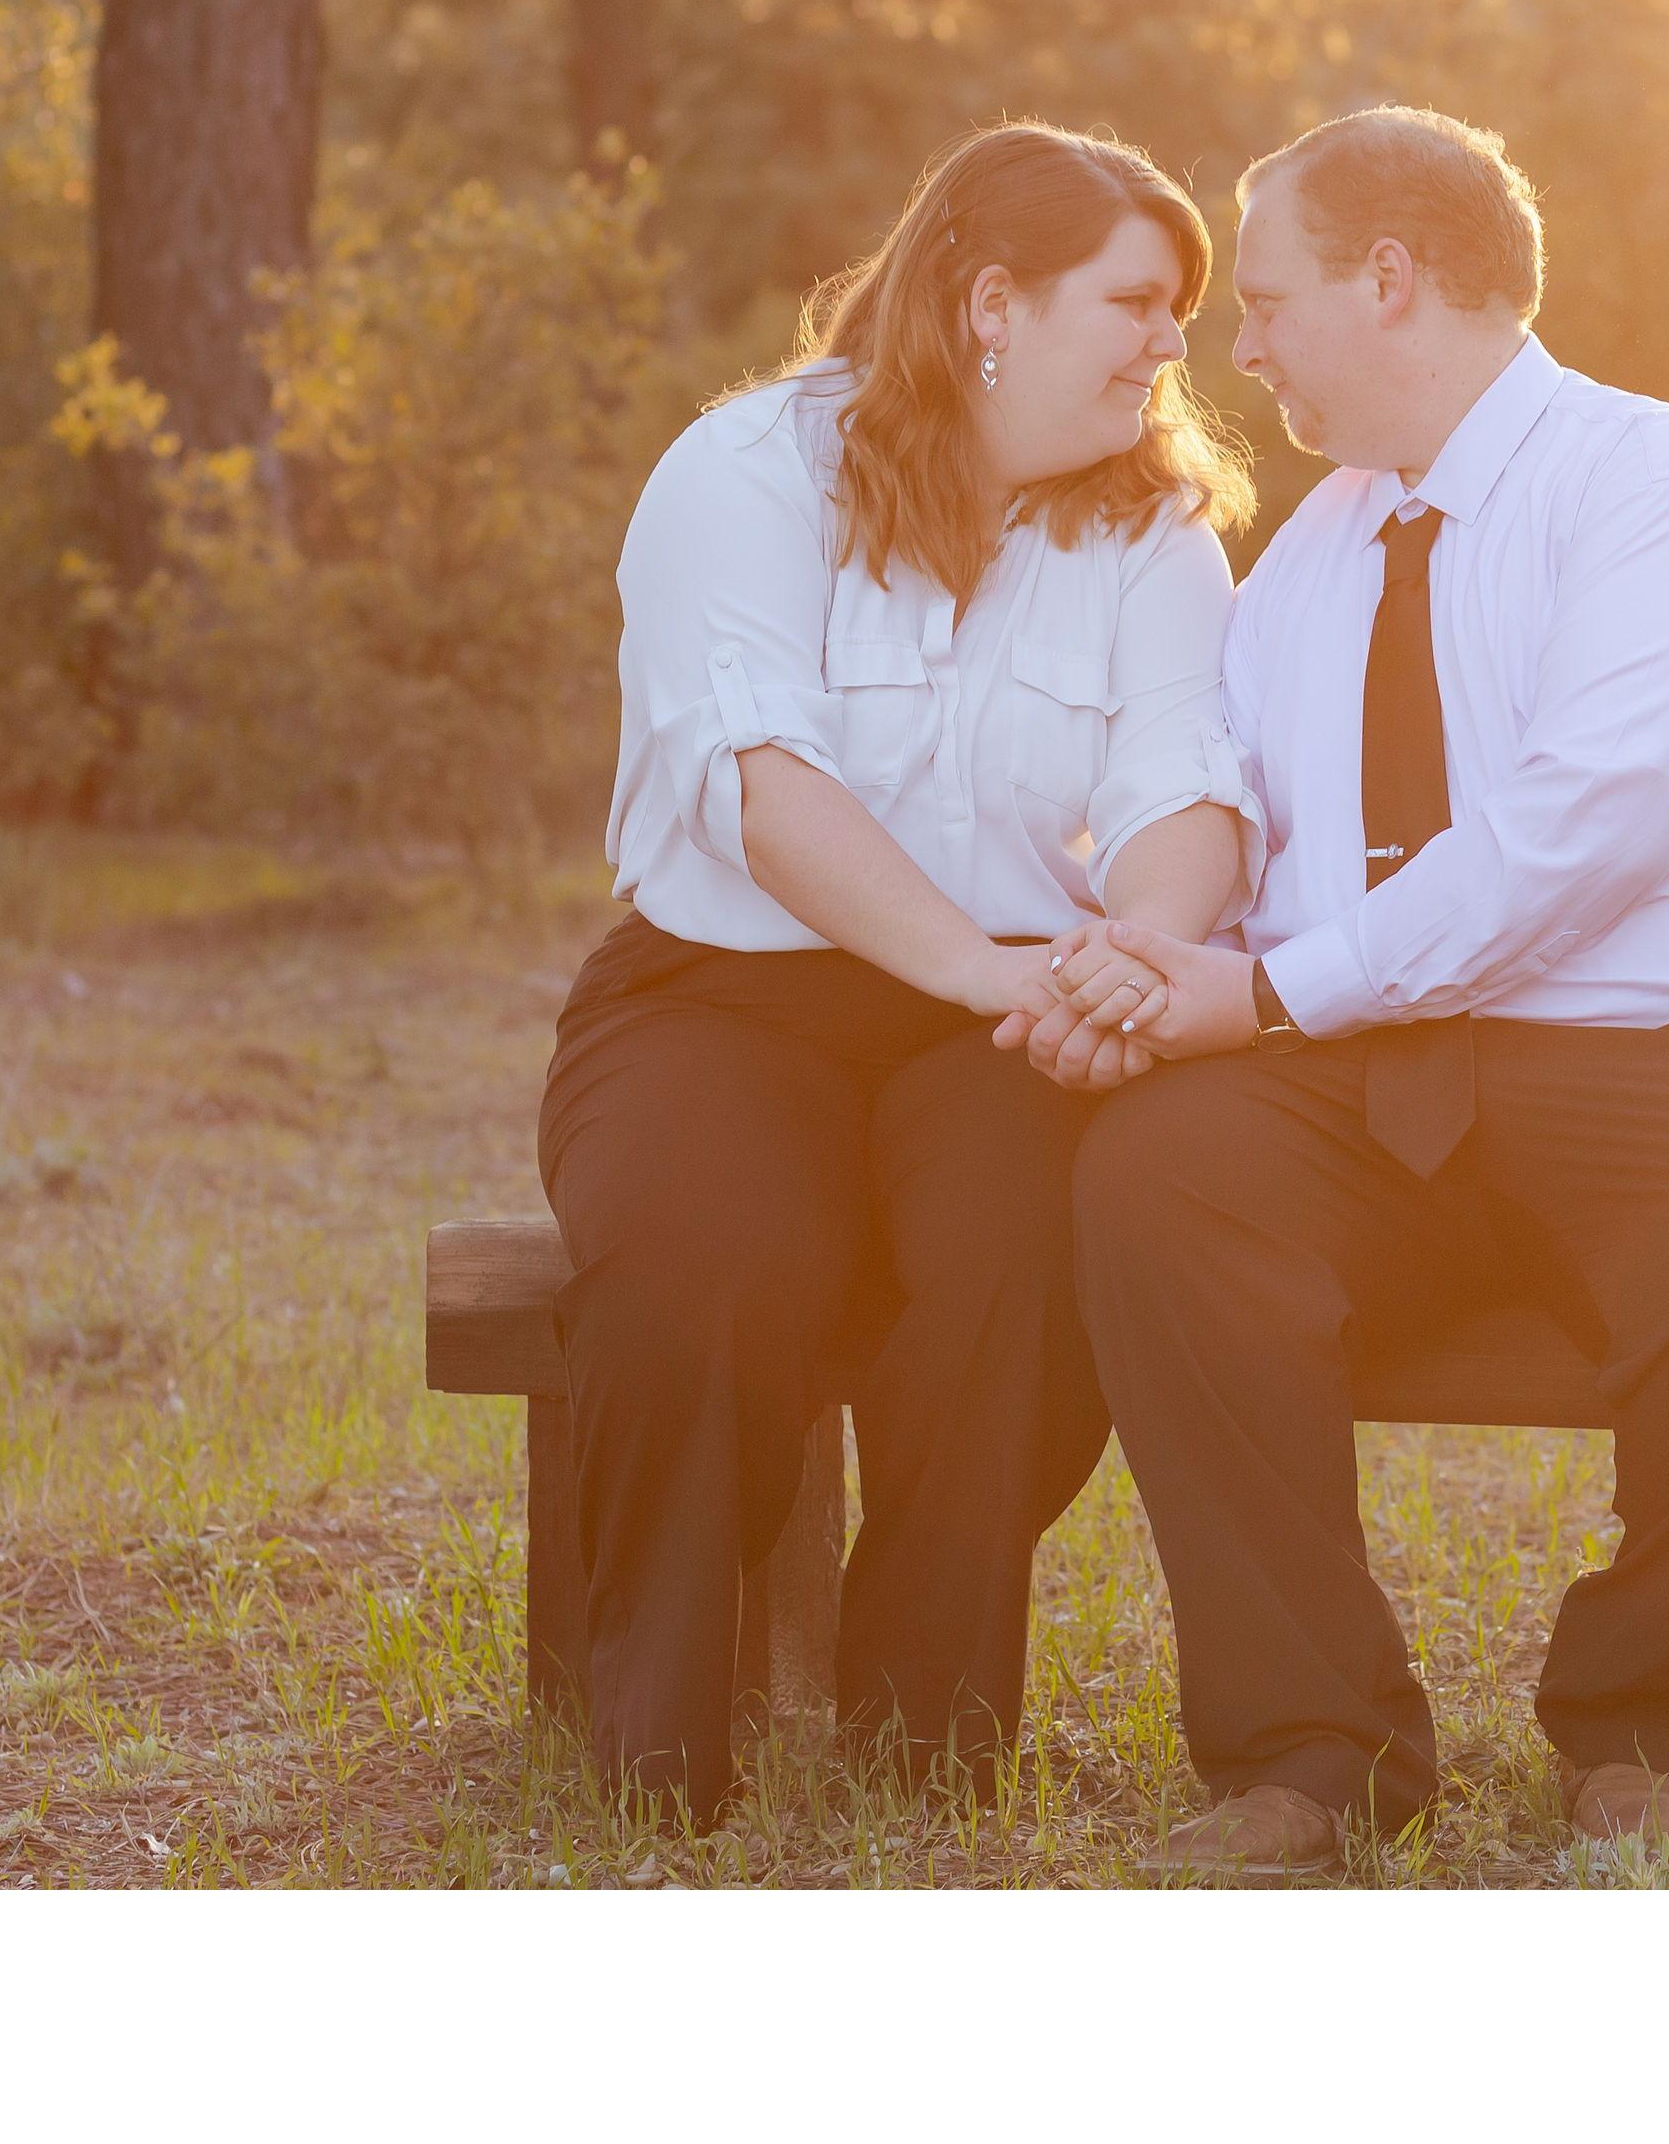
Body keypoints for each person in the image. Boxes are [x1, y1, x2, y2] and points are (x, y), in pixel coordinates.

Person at [1008, 106, 1669, 1880]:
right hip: (1370, 1065)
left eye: (1265, 302)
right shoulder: (1307, 566)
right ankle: (1308, 1747)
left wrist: (1261, 1001)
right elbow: (1230, 816)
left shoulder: (1663, 485)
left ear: (1391, 279)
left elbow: (1582, 828)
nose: (1239, 348)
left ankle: (1651, 1723)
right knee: (1161, 1178)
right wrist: (1123, 967)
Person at [537, 123, 1257, 1822]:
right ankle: (652, 1741)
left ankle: (928, 1743)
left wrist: (1131, 960)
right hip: (725, 989)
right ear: (991, 299)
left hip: (1017, 1012)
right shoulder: (746, 473)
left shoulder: (1152, 535)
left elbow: (1192, 798)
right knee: (698, 1269)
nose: (1174, 348)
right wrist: (989, 977)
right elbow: (761, 787)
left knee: (1019, 1261)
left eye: (1184, 313)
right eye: (1138, 302)